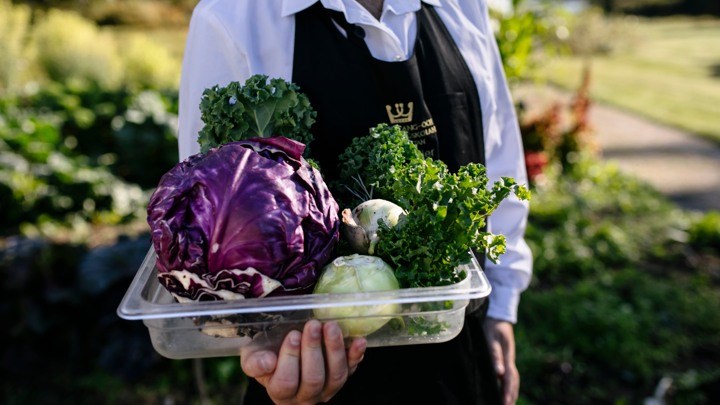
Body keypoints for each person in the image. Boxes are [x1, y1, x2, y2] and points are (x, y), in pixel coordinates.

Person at [177, 1, 533, 404]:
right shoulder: (234, 17)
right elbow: (210, 222)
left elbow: (500, 162)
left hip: (457, 344)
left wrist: (502, 304)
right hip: (312, 360)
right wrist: (264, 347)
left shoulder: (462, 6)